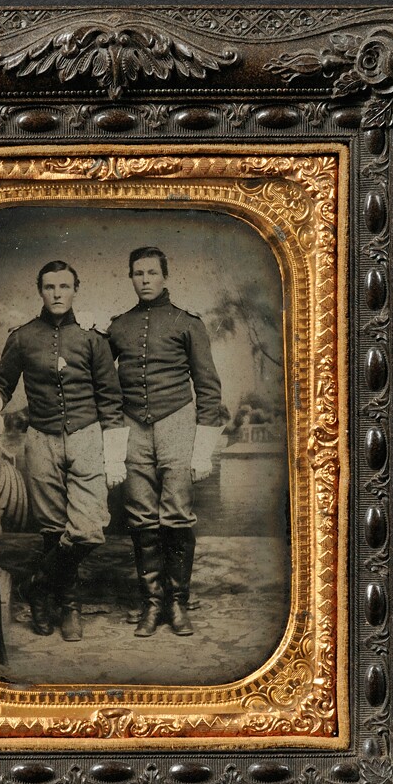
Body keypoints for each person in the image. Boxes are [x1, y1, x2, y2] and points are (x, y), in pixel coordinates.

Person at [0, 261, 128, 642]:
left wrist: (113, 455)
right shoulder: (24, 337)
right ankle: (65, 606)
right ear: (40, 290)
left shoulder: (93, 339)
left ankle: (37, 585)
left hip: (87, 436)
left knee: (89, 528)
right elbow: (1, 382)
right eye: (49, 286)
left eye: (64, 286)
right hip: (41, 439)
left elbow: (110, 399)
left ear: (76, 289)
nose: (57, 293)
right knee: (52, 529)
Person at [108, 247, 223, 637]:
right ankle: (152, 604)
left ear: (164, 277)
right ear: (131, 277)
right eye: (138, 273)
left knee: (176, 514)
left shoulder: (187, 323)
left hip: (177, 422)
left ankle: (178, 604)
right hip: (131, 427)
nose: (145, 279)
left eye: (152, 273)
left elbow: (208, 387)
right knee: (140, 514)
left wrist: (203, 446)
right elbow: (98, 377)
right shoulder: (118, 326)